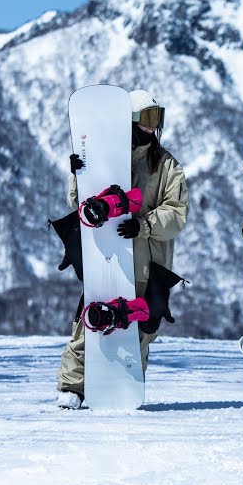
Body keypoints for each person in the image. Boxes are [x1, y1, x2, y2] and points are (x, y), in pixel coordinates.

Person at [56, 89, 190, 409]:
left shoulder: (165, 164)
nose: (152, 126)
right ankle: (73, 386)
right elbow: (81, 204)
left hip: (148, 261)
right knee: (89, 316)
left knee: (140, 325)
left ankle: (126, 382)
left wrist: (145, 225)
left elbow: (177, 212)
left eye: (157, 117)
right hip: (107, 254)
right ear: (127, 121)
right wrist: (80, 175)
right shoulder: (106, 158)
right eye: (146, 118)